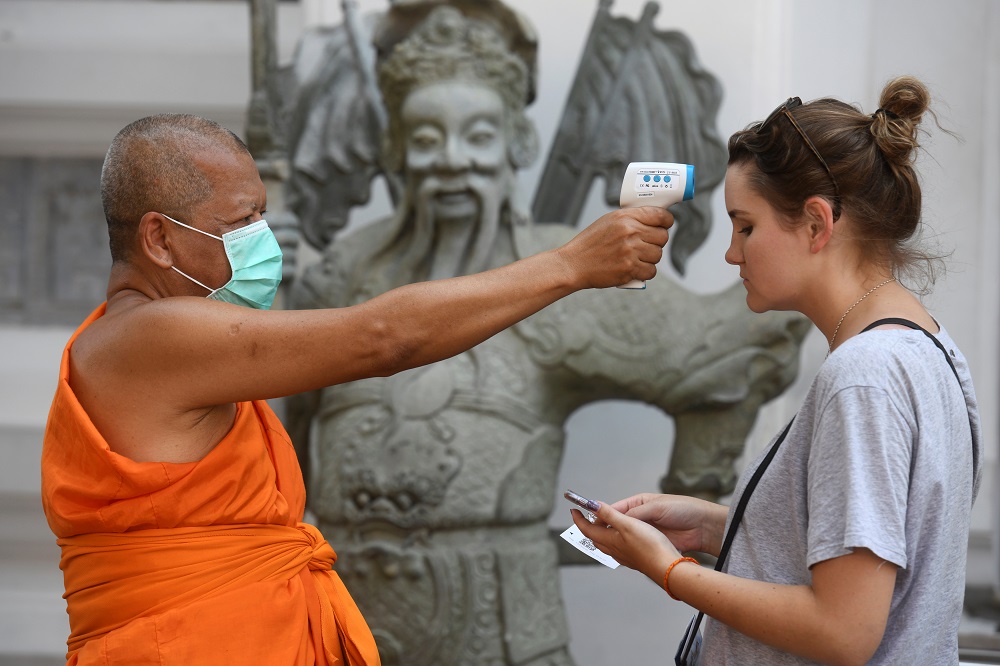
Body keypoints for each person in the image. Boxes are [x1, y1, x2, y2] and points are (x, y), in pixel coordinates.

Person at [38, 112, 673, 665]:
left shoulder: (175, 343)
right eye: (242, 219)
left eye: (261, 211)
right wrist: (567, 265)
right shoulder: (149, 338)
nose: (262, 235)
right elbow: (382, 340)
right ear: (159, 237)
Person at [285, 6, 809, 663]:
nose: (450, 162)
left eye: (476, 136)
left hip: (506, 639)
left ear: (518, 143)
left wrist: (679, 502)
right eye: (424, 140)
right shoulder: (344, 274)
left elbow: (722, 356)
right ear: (394, 148)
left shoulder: (561, 271)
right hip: (340, 634)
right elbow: (282, 423)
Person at [572, 75, 983, 665]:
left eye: (746, 227)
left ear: (817, 224)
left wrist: (668, 569)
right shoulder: (929, 349)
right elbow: (875, 554)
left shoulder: (864, 377)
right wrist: (718, 526)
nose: (732, 253)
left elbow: (843, 631)